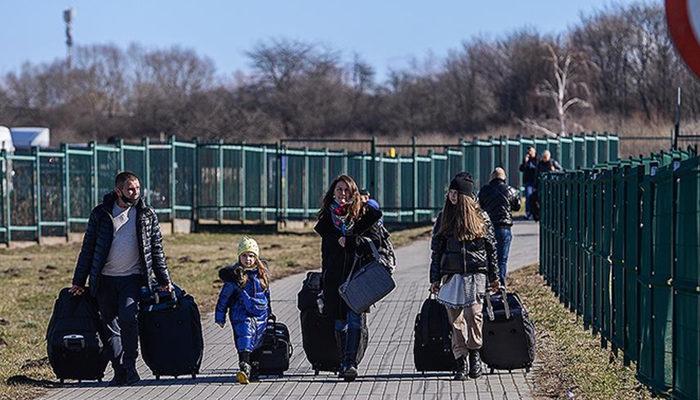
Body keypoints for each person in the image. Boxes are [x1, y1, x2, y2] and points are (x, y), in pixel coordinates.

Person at [69, 171, 173, 386]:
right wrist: (79, 281)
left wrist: (164, 279)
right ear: (118, 191)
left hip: (132, 279)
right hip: (105, 279)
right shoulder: (101, 214)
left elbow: (156, 249)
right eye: (130, 189)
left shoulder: (147, 214)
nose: (135, 193)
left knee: (128, 318)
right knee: (108, 324)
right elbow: (88, 248)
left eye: (137, 188)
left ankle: (130, 366)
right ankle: (118, 369)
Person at [314, 175, 385, 382]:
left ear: (354, 194)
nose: (343, 194)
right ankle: (343, 359)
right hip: (334, 278)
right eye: (339, 190)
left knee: (354, 318)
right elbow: (325, 253)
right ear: (333, 193)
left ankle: (349, 363)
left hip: (357, 276)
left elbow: (376, 242)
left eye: (347, 190)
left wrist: (352, 240)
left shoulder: (363, 215)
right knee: (339, 322)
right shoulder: (327, 220)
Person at [429, 172, 499, 380]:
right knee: (455, 320)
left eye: (456, 193)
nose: (452, 196)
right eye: (450, 192)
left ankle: (475, 352)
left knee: (474, 314)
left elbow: (491, 249)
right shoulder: (444, 218)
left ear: (466, 196)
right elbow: (437, 251)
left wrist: (495, 277)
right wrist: (434, 278)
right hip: (451, 275)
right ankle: (460, 360)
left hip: (476, 274)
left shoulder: (481, 218)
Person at [215, 236, 273, 385]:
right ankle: (244, 366)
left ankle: (254, 368)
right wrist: (219, 315)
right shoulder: (235, 278)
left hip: (260, 315)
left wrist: (270, 312)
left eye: (251, 256)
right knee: (244, 338)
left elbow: (267, 295)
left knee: (258, 341)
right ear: (239, 257)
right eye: (244, 255)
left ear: (256, 258)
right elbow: (224, 298)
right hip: (241, 314)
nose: (248, 259)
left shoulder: (261, 275)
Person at [478, 167, 521, 286]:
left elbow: (480, 206)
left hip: (488, 228)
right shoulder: (510, 190)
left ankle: (487, 284)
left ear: (491, 177)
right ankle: (500, 285)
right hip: (504, 228)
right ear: (504, 177)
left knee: (488, 257)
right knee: (502, 259)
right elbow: (517, 206)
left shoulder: (485, 190)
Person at [519, 146, 538, 220]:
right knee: (528, 196)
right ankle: (528, 212)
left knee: (535, 198)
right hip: (528, 181)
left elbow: (536, 168)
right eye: (528, 152)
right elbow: (521, 168)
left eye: (530, 151)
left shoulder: (537, 159)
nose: (529, 153)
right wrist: (525, 162)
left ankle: (535, 213)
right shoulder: (527, 160)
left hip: (536, 181)